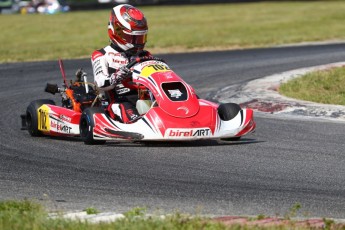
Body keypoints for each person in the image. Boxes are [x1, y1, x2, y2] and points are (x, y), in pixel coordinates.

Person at [91, 4, 152, 123]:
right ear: (117, 32)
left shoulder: (145, 55)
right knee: (125, 108)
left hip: (146, 98)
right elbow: (100, 83)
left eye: (141, 38)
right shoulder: (102, 55)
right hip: (120, 101)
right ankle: (139, 124)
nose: (138, 43)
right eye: (134, 39)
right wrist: (117, 76)